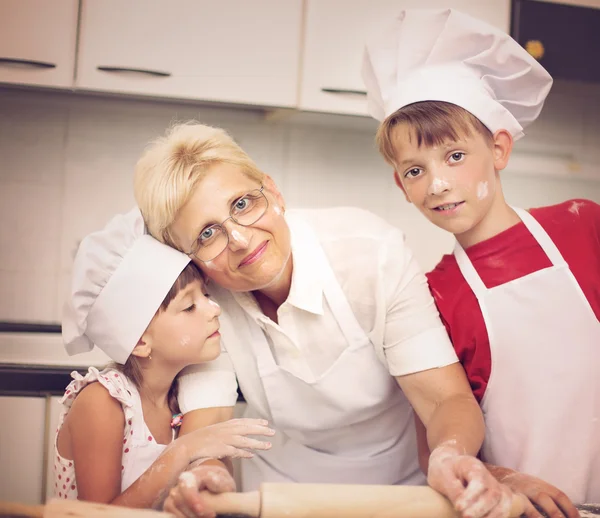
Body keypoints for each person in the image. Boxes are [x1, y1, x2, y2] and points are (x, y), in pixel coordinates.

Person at [132, 122, 527, 518]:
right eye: (206, 235)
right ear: (189, 257)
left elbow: (445, 398)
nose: (239, 239)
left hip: (402, 490)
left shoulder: (371, 253)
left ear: (272, 191)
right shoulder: (205, 299)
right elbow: (210, 422)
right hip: (277, 493)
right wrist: (207, 471)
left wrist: (451, 456)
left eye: (241, 205)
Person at [362, 7, 600, 517]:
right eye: (414, 170)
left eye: (453, 156)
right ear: (400, 187)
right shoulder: (431, 298)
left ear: (498, 149)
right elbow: (439, 453)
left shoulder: (584, 227)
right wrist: (504, 479)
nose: (438, 184)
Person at [58, 207, 274, 509]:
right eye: (189, 307)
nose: (215, 310)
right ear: (141, 342)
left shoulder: (178, 399)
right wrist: (183, 450)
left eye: (207, 297)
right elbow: (99, 515)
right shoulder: (103, 402)